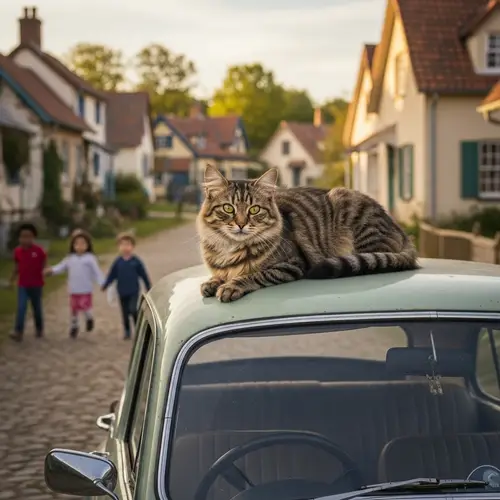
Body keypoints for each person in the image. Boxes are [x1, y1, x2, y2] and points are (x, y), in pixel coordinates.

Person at [44, 229, 104, 338]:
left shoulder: (90, 259)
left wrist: (103, 283)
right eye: (77, 244)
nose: (80, 246)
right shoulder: (70, 259)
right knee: (74, 309)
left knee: (85, 307)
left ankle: (89, 318)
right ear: (73, 245)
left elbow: (97, 272)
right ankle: (74, 326)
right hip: (74, 289)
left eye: (83, 243)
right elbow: (60, 267)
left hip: (86, 289)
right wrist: (51, 270)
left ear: (87, 245)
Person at [101, 232, 151, 340]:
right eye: (122, 244)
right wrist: (105, 284)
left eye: (128, 244)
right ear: (118, 247)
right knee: (124, 313)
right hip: (122, 291)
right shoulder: (118, 262)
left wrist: (148, 286)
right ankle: (127, 331)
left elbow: (143, 275)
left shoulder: (136, 262)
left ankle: (138, 328)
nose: (125, 247)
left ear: (132, 246)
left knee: (133, 309)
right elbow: (112, 275)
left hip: (133, 291)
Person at [9, 222, 47, 342]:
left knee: (37, 308)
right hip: (23, 285)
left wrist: (47, 271)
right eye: (22, 237)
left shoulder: (39, 250)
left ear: (33, 237)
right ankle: (18, 331)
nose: (25, 240)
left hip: (36, 285)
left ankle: (39, 328)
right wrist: (12, 280)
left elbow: (45, 265)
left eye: (28, 236)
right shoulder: (17, 251)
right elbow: (16, 267)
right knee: (21, 307)